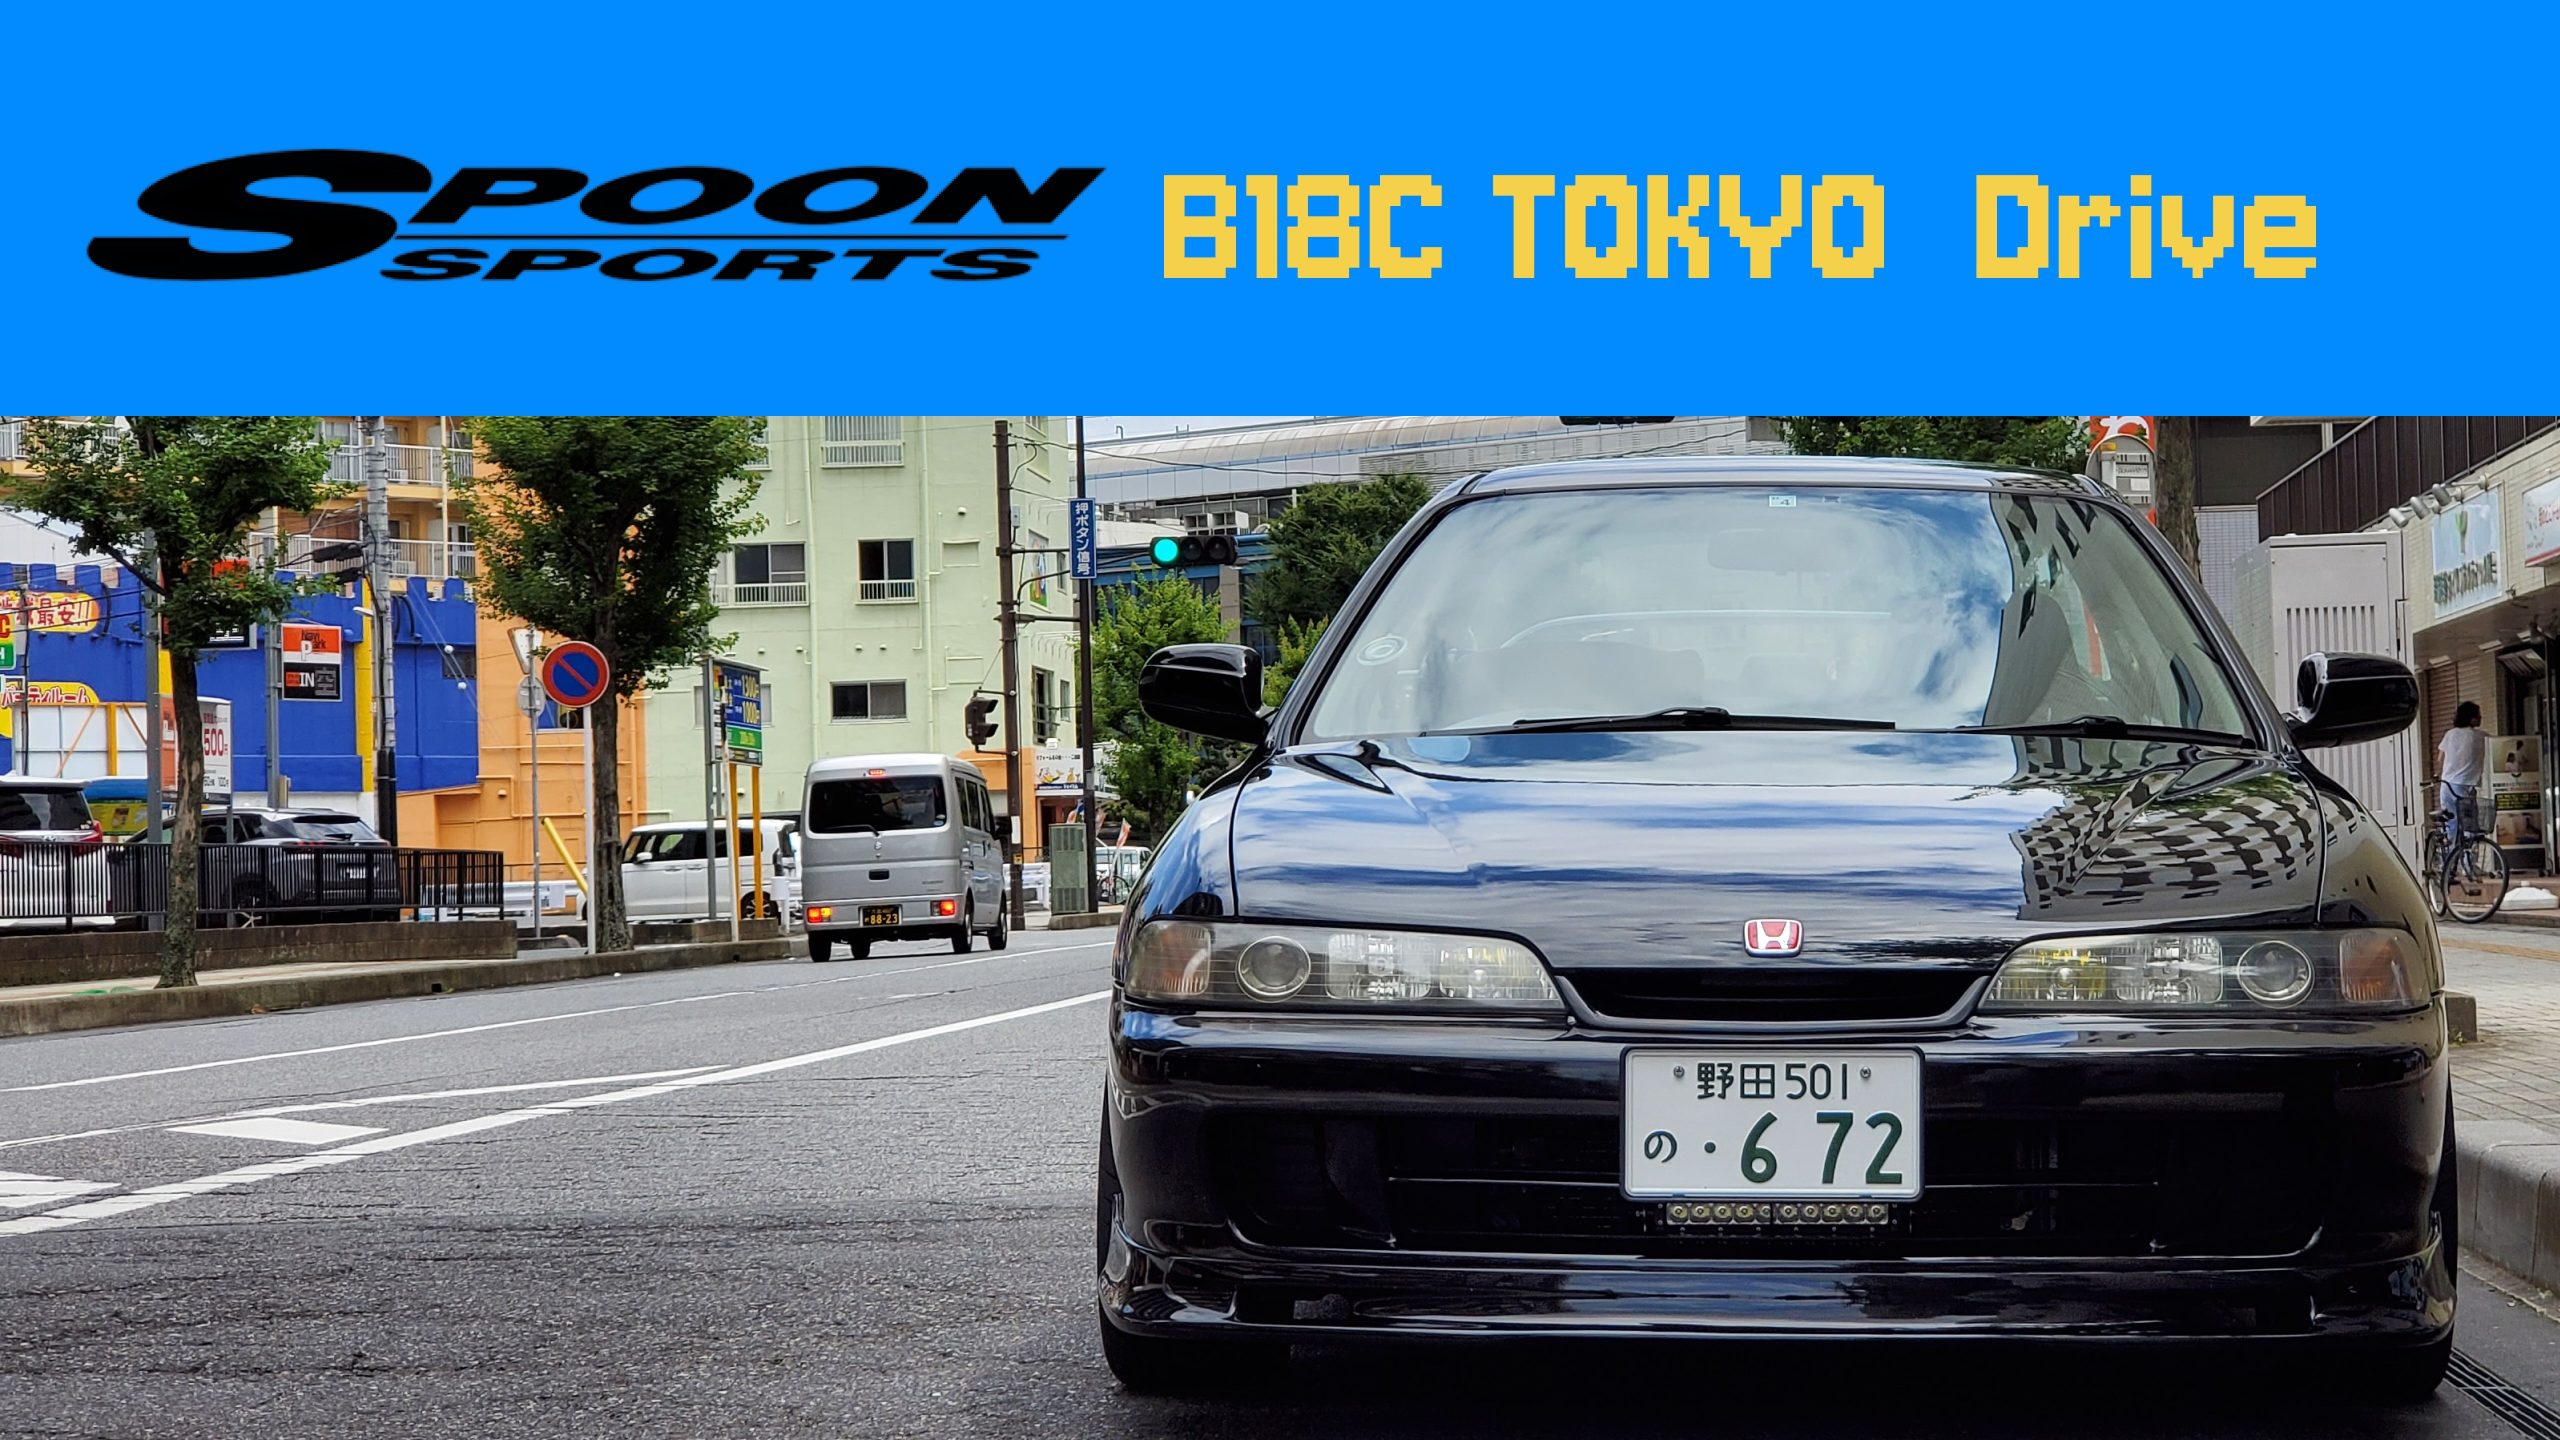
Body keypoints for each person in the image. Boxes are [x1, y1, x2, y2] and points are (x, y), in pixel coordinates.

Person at [2440, 702, 2487, 855]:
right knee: (2469, 826)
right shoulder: (2480, 736)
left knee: (2451, 825)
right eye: (2478, 715)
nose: (2480, 718)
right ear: (2471, 718)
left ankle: (2449, 862)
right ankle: (2469, 863)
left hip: (2446, 785)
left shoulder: (2450, 734)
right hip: (2464, 786)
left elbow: (2440, 758)